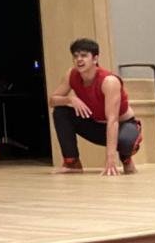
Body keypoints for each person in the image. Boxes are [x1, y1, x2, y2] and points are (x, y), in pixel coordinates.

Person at [49, 37, 141, 176]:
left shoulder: (109, 81)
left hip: (123, 125)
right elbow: (52, 101)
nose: (79, 59)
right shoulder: (71, 75)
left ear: (95, 59)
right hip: (96, 125)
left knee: (125, 141)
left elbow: (113, 120)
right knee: (61, 112)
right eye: (75, 56)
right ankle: (72, 163)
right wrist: (70, 99)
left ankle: (126, 158)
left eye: (84, 55)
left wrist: (110, 160)